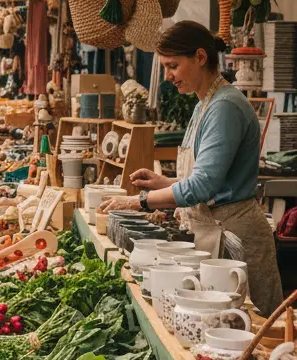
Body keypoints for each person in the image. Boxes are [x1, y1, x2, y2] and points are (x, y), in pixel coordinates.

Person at [99, 21, 283, 315]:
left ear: (200, 57)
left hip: (235, 238)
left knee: (253, 334)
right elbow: (207, 178)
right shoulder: (204, 105)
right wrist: (164, 182)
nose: (168, 76)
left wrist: (139, 201)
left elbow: (203, 187)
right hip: (215, 231)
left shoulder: (225, 107)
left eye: (173, 66)